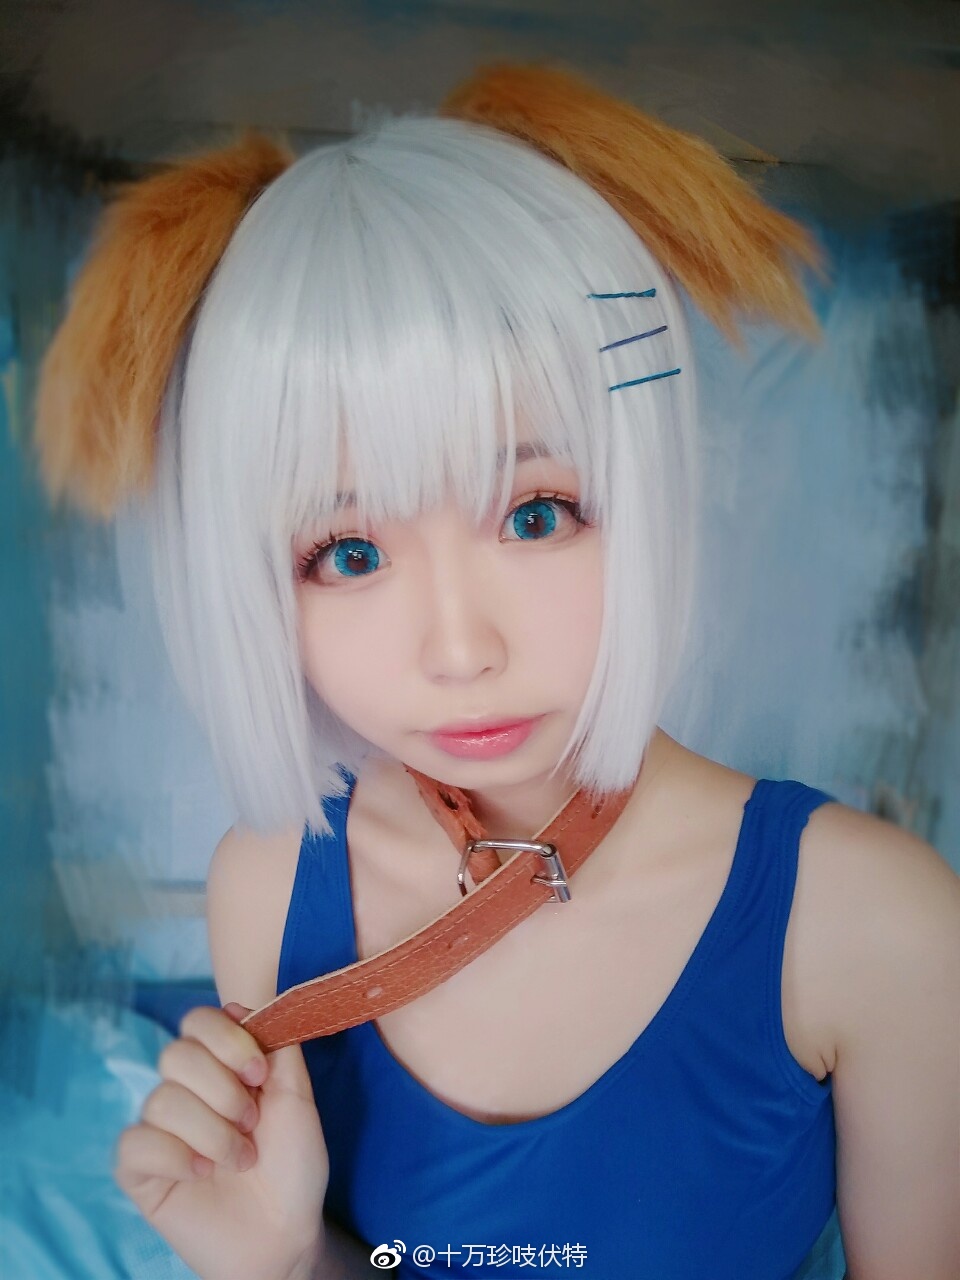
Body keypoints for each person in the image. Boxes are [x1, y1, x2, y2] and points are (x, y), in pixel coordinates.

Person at [34, 62, 959, 1280]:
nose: (460, 649)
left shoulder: (873, 922)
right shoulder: (268, 884)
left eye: (535, 514)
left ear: (645, 490)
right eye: (349, 552)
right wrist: (282, 1263)